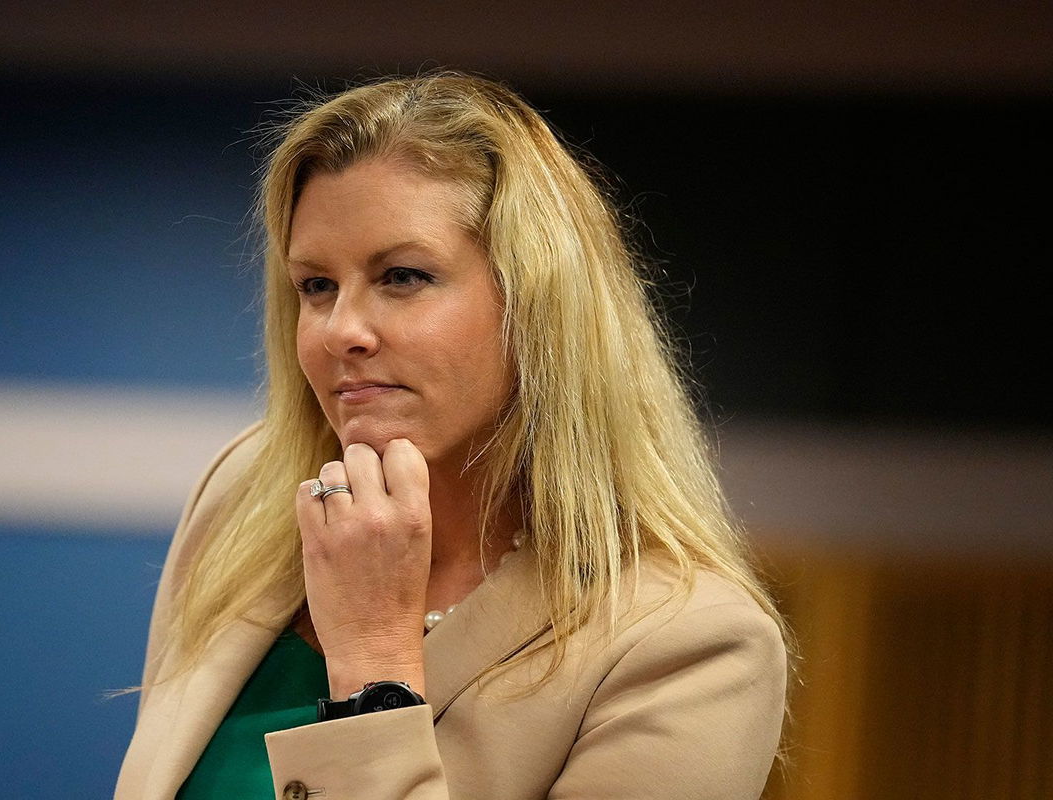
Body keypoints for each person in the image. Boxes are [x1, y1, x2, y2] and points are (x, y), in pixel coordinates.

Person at [115, 72, 789, 800]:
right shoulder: (249, 489)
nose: (342, 329)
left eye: (402, 276)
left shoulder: (691, 645)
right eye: (316, 285)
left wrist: (375, 664)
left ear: (538, 305)